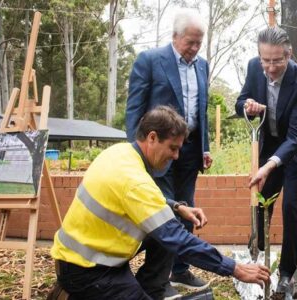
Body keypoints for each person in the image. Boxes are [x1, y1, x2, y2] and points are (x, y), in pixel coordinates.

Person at [49, 107, 270, 299]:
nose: (176, 156)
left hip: (89, 257)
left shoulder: (121, 153)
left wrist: (176, 206)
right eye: (173, 148)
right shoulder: (135, 181)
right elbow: (179, 240)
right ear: (152, 138)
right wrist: (234, 268)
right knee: (170, 233)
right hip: (87, 271)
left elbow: (135, 197)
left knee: (168, 219)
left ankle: (150, 289)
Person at [125, 9, 212, 299]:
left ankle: (180, 268)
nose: (195, 48)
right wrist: (136, 152)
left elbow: (202, 109)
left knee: (185, 209)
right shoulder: (150, 61)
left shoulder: (203, 66)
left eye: (199, 42)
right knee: (164, 212)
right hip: (157, 149)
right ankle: (156, 279)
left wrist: (205, 146)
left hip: (189, 152)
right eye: (190, 42)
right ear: (175, 37)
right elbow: (135, 108)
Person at [235, 27, 297, 294]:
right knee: (262, 202)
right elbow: (240, 102)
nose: (271, 67)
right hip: (271, 142)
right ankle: (259, 260)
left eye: (277, 60)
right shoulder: (254, 68)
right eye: (266, 60)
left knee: (291, 207)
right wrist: (247, 106)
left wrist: (270, 164)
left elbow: (296, 135)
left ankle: (286, 272)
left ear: (289, 54)